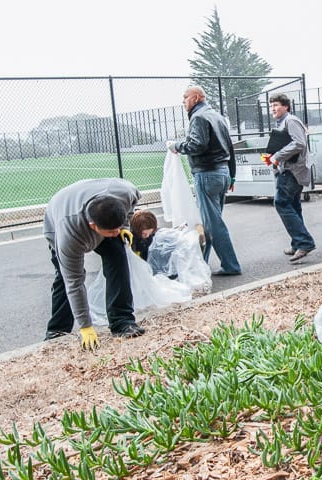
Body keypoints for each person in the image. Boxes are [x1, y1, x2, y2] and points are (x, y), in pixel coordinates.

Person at [43, 178, 146, 349]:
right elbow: (74, 283)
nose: (115, 233)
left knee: (118, 256)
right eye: (111, 232)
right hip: (59, 220)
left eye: (117, 228)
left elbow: (132, 203)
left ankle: (122, 321)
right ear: (93, 226)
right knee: (65, 276)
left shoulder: (125, 193)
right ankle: (57, 331)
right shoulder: (69, 234)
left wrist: (125, 226)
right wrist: (86, 326)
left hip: (101, 210)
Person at [166, 85, 242, 276]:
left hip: (207, 174)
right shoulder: (217, 116)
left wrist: (176, 146)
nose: (183, 101)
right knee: (210, 223)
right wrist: (231, 175)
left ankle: (231, 265)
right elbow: (230, 148)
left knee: (213, 225)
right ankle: (202, 264)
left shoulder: (198, 117)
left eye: (185, 97)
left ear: (197, 98)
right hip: (223, 174)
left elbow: (196, 145)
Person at [261, 93, 316, 262]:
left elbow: (299, 143)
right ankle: (297, 243)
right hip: (289, 169)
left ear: (286, 106)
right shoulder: (283, 122)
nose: (273, 109)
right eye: (271, 106)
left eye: (276, 105)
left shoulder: (290, 120)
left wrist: (277, 156)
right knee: (293, 205)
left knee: (281, 202)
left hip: (292, 170)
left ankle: (304, 242)